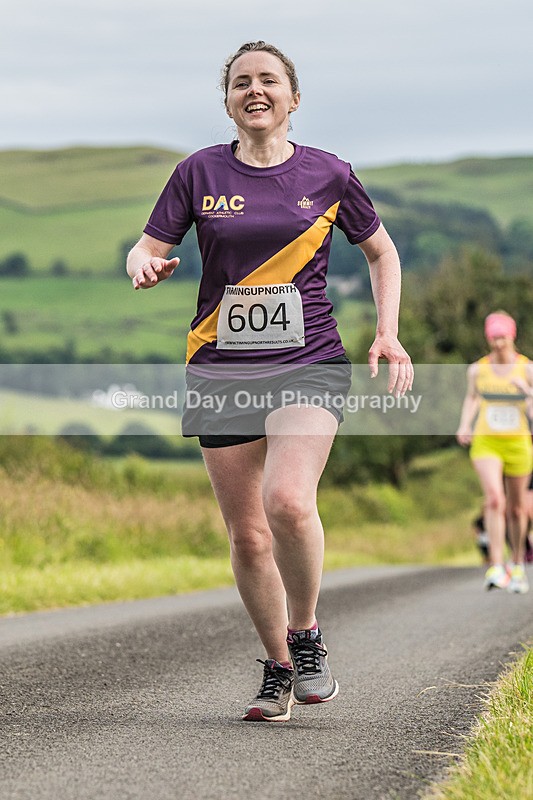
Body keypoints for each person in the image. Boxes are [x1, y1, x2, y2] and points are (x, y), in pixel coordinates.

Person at [126, 41, 413, 722]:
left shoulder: (329, 174)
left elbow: (382, 252)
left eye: (268, 81)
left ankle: (305, 633)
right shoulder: (197, 172)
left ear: (293, 97)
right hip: (220, 366)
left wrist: (386, 331)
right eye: (241, 83)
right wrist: (142, 264)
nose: (255, 91)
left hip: (307, 360)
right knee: (248, 535)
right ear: (227, 100)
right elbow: (148, 245)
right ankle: (277, 668)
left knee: (286, 501)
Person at [456, 311, 533, 594]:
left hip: (518, 443)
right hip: (487, 441)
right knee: (494, 498)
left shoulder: (527, 369)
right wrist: (465, 424)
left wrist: (527, 392)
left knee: (517, 508)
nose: (498, 343)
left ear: (512, 336)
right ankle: (496, 566)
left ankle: (516, 565)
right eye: (493, 338)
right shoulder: (478, 369)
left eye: (502, 337)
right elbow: (472, 397)